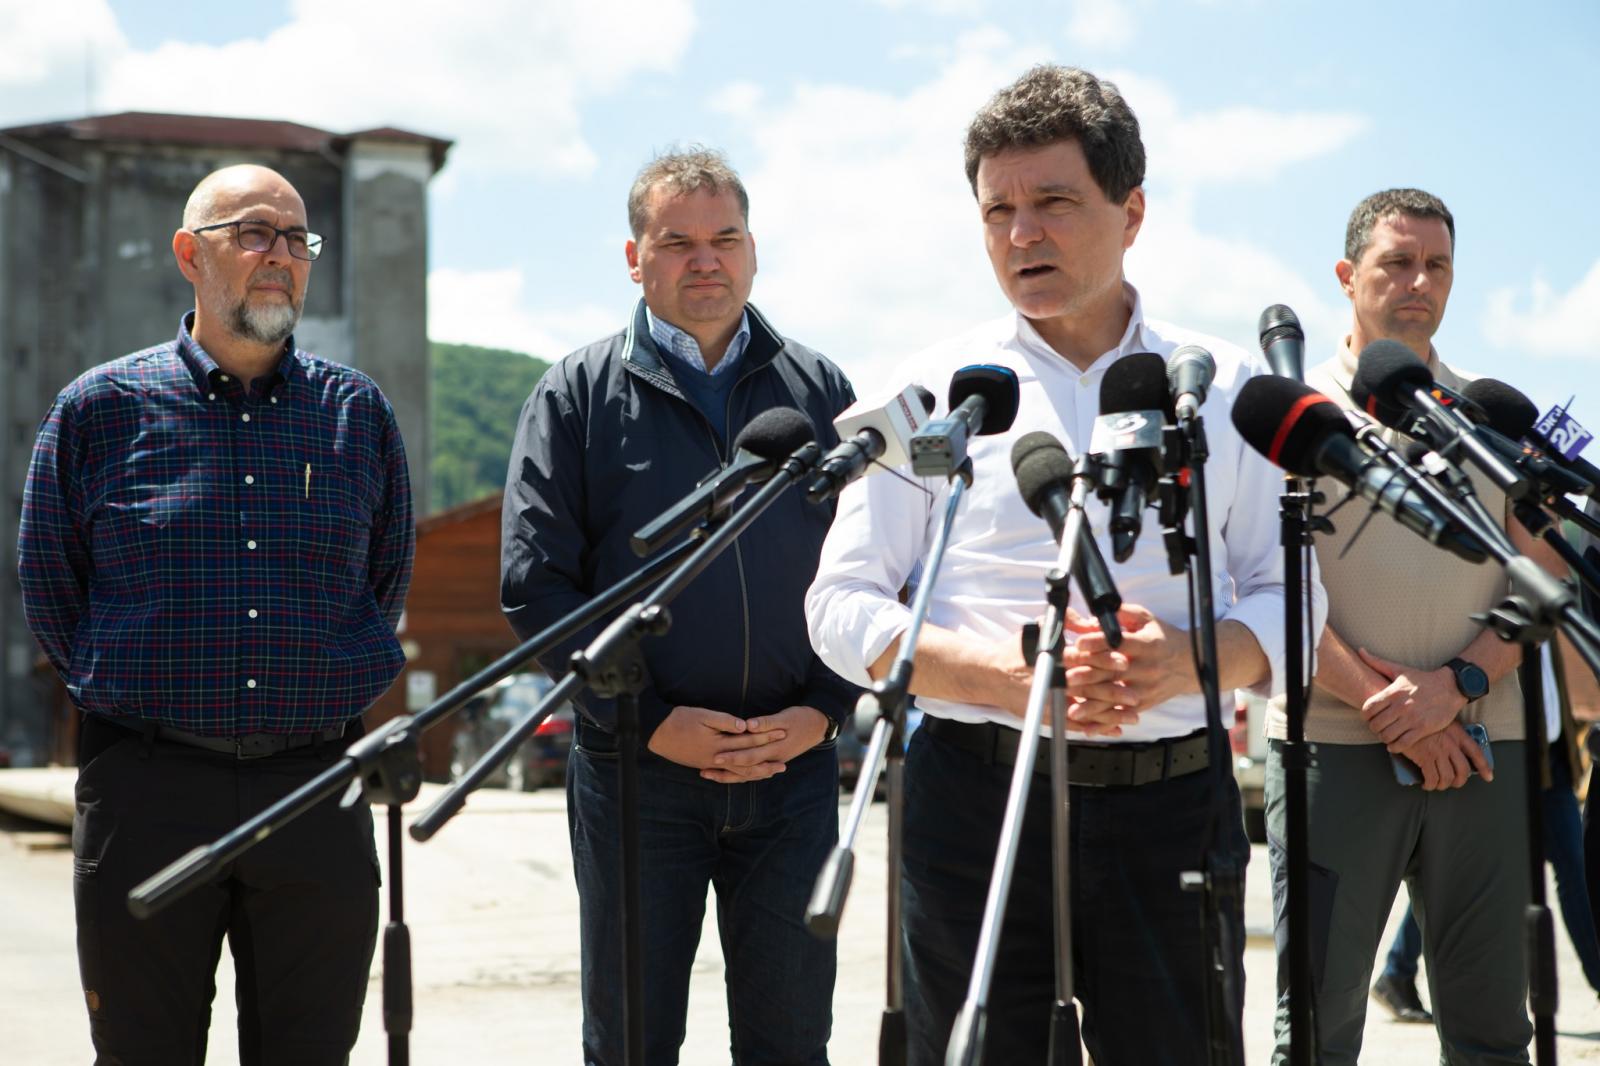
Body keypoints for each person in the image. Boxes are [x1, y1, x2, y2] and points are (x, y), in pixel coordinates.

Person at [805, 65, 1316, 1065]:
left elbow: (1293, 597)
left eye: (1052, 202)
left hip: (1171, 805)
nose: (1020, 234)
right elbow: (839, 604)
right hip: (975, 802)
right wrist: (995, 677)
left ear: (1132, 212)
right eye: (997, 211)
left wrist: (1186, 661)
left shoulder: (1222, 388)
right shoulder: (931, 392)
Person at [18, 164, 414, 1065]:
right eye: (253, 233)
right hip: (148, 788)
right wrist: (133, 699)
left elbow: (382, 584)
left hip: (315, 786)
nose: (280, 256)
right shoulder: (98, 411)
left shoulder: (356, 415)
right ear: (188, 255)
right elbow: (50, 585)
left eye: (297, 239)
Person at [500, 147, 859, 1066]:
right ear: (635, 259)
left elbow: (872, 569)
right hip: (638, 776)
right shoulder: (575, 395)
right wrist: (650, 722)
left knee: (792, 1044)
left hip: (793, 773)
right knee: (632, 1043)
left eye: (725, 239)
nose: (706, 261)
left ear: (752, 250)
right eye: (677, 243)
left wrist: (823, 713)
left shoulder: (821, 393)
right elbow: (537, 587)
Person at [1263, 187, 1567, 1064]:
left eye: (1437, 265)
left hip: (1486, 747)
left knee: (1494, 1033)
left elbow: (1545, 573)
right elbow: (1267, 587)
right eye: (1396, 262)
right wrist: (1396, 710)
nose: (1419, 281)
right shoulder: (1291, 414)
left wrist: (1457, 685)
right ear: (1346, 275)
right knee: (1315, 1031)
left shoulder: (1492, 415)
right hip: (1332, 747)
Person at [1373, 642, 1600, 1023]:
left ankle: (1397, 969)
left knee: (1562, 866)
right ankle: (1398, 969)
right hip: (1510, 749)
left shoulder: (1551, 614)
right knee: (1469, 872)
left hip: (1549, 757)